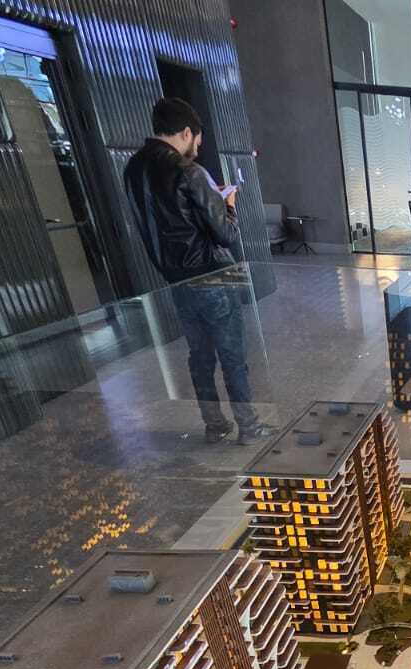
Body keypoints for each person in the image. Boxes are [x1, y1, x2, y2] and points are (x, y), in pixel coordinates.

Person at [123, 98, 270, 445]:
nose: (198, 149)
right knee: (232, 355)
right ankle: (249, 427)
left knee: (200, 356)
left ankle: (214, 425)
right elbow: (225, 235)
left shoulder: (134, 170)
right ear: (187, 132)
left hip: (176, 281)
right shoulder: (189, 171)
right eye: (198, 141)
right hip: (214, 275)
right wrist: (228, 205)